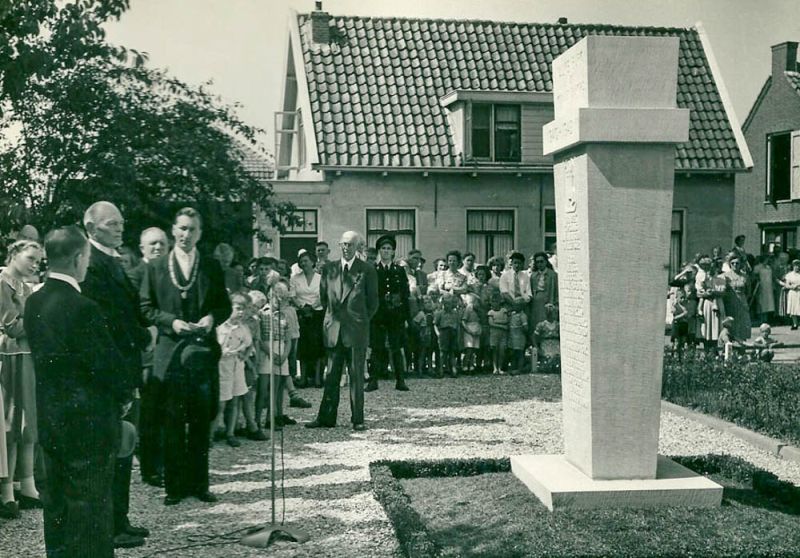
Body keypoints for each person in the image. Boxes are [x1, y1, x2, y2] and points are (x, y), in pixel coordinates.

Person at [25, 225, 127, 557]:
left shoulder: (34, 302)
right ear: (77, 258)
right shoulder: (85, 308)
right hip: (88, 424)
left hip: (51, 418)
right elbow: (109, 367)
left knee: (56, 509)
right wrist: (125, 394)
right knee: (91, 514)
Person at [140, 207, 232, 506]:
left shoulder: (211, 267)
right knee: (172, 420)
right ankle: (175, 487)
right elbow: (145, 308)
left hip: (202, 352)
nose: (186, 235)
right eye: (181, 228)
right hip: (170, 354)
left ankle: (199, 484)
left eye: (192, 229)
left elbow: (224, 307)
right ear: (172, 230)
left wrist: (210, 318)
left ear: (200, 233)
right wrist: (170, 321)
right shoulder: (155, 268)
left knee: (201, 420)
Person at [81, 201, 152, 548]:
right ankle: (109, 525)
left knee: (126, 445)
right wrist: (143, 336)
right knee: (114, 446)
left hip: (128, 366)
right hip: (114, 372)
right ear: (92, 228)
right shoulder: (92, 266)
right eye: (112, 224)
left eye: (121, 223)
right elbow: (111, 321)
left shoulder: (113, 259)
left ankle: (119, 518)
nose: (120, 229)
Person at [306, 231, 378, 431]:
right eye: (343, 244)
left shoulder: (367, 270)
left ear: (358, 247)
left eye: (350, 245)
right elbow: (323, 298)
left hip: (355, 332)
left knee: (355, 377)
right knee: (331, 377)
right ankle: (326, 418)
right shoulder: (329, 269)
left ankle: (358, 419)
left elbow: (373, 303)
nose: (346, 248)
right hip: (334, 331)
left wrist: (359, 321)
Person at [0, 240, 43, 520]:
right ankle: (7, 492)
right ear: (14, 255)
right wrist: (41, 321)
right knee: (12, 422)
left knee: (28, 422)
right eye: (30, 258)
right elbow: (12, 325)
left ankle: (27, 485)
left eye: (38, 262)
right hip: (10, 357)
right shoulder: (3, 282)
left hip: (27, 357)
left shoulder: (26, 287)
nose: (34, 265)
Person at [128, 226, 168, 488]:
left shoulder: (172, 275)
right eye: (152, 244)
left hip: (170, 352)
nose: (157, 248)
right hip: (146, 352)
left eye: (162, 244)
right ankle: (151, 469)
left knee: (169, 411)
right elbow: (130, 317)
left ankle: (166, 464)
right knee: (150, 412)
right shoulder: (133, 276)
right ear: (142, 248)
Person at [366, 235, 410, 392]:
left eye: (389, 249)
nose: (386, 251)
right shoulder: (372, 270)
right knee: (376, 347)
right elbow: (368, 294)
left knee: (396, 347)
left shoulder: (399, 271)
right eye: (383, 248)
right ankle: (373, 380)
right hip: (377, 315)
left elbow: (405, 295)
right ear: (379, 251)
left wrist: (406, 317)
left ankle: (400, 380)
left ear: (393, 252)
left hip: (395, 315)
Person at [214, 291, 252, 447]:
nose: (241, 312)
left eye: (244, 309)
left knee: (235, 400)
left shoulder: (243, 328)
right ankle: (213, 432)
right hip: (223, 366)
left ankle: (230, 433)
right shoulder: (221, 327)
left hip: (237, 366)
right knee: (221, 402)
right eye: (237, 308)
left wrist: (246, 354)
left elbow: (249, 343)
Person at [290, 250, 325, 388]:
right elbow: (292, 295)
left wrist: (312, 306)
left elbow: (323, 295)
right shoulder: (295, 278)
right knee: (303, 346)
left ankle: (317, 378)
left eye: (306, 261)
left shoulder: (320, 278)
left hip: (316, 313)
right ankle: (303, 378)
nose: (303, 263)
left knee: (317, 345)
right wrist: (302, 307)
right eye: (301, 261)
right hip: (302, 314)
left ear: (312, 262)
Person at [695, 256, 725, 351]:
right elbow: (698, 293)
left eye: (713, 267)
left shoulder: (720, 278)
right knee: (706, 326)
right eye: (708, 267)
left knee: (716, 326)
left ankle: (715, 348)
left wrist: (714, 292)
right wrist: (705, 294)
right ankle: (707, 348)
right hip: (707, 304)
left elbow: (723, 292)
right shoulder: (703, 278)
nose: (711, 270)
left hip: (717, 302)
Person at [721, 254, 751, 341]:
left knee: (742, 324)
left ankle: (742, 345)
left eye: (737, 263)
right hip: (730, 302)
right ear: (730, 264)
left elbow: (749, 291)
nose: (735, 265)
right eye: (733, 263)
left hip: (742, 301)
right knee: (731, 324)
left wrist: (745, 300)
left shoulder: (745, 276)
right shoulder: (725, 276)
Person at [528, 251, 558, 332]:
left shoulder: (553, 275)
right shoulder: (533, 276)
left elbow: (556, 291)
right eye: (537, 262)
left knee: (547, 323)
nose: (540, 264)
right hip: (536, 303)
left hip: (548, 301)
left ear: (546, 262)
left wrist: (555, 303)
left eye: (542, 261)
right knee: (536, 323)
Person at [434, 293, 461, 377]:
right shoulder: (440, 313)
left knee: (452, 352)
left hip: (452, 332)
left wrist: (458, 335)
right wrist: (438, 333)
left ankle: (453, 370)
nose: (447, 305)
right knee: (443, 352)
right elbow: (435, 324)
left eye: (449, 303)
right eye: (445, 303)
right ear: (443, 304)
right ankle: (440, 370)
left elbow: (457, 324)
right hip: (444, 332)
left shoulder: (455, 313)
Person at [488, 296, 510, 375]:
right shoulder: (491, 312)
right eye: (493, 302)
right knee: (494, 350)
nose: (494, 304)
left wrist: (496, 321)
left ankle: (500, 367)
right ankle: (495, 368)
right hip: (494, 334)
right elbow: (491, 323)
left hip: (503, 335)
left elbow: (506, 320)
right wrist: (502, 326)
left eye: (496, 302)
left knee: (502, 351)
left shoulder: (504, 310)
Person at [461, 293, 482, 373]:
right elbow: (463, 321)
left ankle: (471, 365)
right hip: (469, 329)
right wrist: (468, 330)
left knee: (474, 349)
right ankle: (465, 365)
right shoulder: (469, 309)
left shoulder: (479, 310)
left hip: (476, 329)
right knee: (469, 349)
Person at [752, 255, 775, 325]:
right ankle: (761, 319)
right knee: (761, 302)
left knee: (768, 303)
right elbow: (754, 276)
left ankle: (766, 319)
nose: (767, 261)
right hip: (761, 286)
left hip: (768, 287)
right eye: (766, 259)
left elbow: (772, 276)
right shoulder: (757, 267)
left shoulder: (769, 267)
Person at [508, 299, 528, 374]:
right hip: (512, 336)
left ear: (521, 306)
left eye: (516, 305)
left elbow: (526, 327)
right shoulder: (513, 314)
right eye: (514, 305)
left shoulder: (523, 316)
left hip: (519, 336)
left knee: (520, 353)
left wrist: (520, 330)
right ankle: (513, 368)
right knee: (513, 353)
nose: (514, 306)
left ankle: (520, 369)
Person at [779, 259, 800, 330]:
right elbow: (786, 285)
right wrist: (792, 287)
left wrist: (797, 286)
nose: (796, 267)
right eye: (795, 266)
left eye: (798, 266)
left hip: (799, 292)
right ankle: (795, 324)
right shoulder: (789, 275)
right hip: (792, 292)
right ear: (793, 266)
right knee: (793, 308)